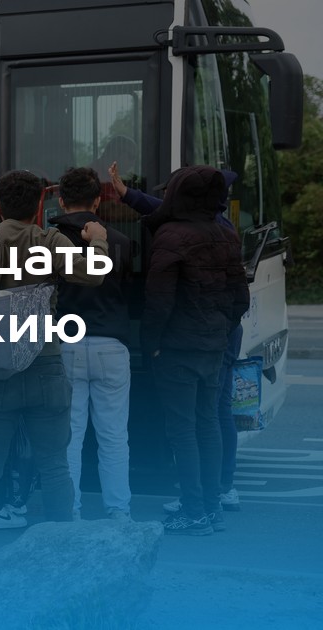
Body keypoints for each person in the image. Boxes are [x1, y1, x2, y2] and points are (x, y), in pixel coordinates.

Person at [0, 170, 109, 571]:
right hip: (45, 361)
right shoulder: (50, 240)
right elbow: (95, 273)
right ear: (39, 207)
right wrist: (97, 239)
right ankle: (60, 555)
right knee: (54, 463)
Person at [142, 166, 249, 535]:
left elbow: (158, 300)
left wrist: (152, 345)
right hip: (213, 346)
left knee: (182, 429)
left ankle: (193, 511)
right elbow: (240, 298)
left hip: (177, 347)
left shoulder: (170, 235)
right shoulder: (226, 234)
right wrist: (219, 331)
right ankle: (212, 507)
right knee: (208, 423)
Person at [47, 167, 135, 520]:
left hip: (66, 344)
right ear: (98, 201)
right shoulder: (121, 241)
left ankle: (72, 511)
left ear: (60, 200)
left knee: (70, 437)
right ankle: (119, 511)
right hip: (111, 344)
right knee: (114, 436)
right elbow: (130, 295)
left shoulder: (48, 240)